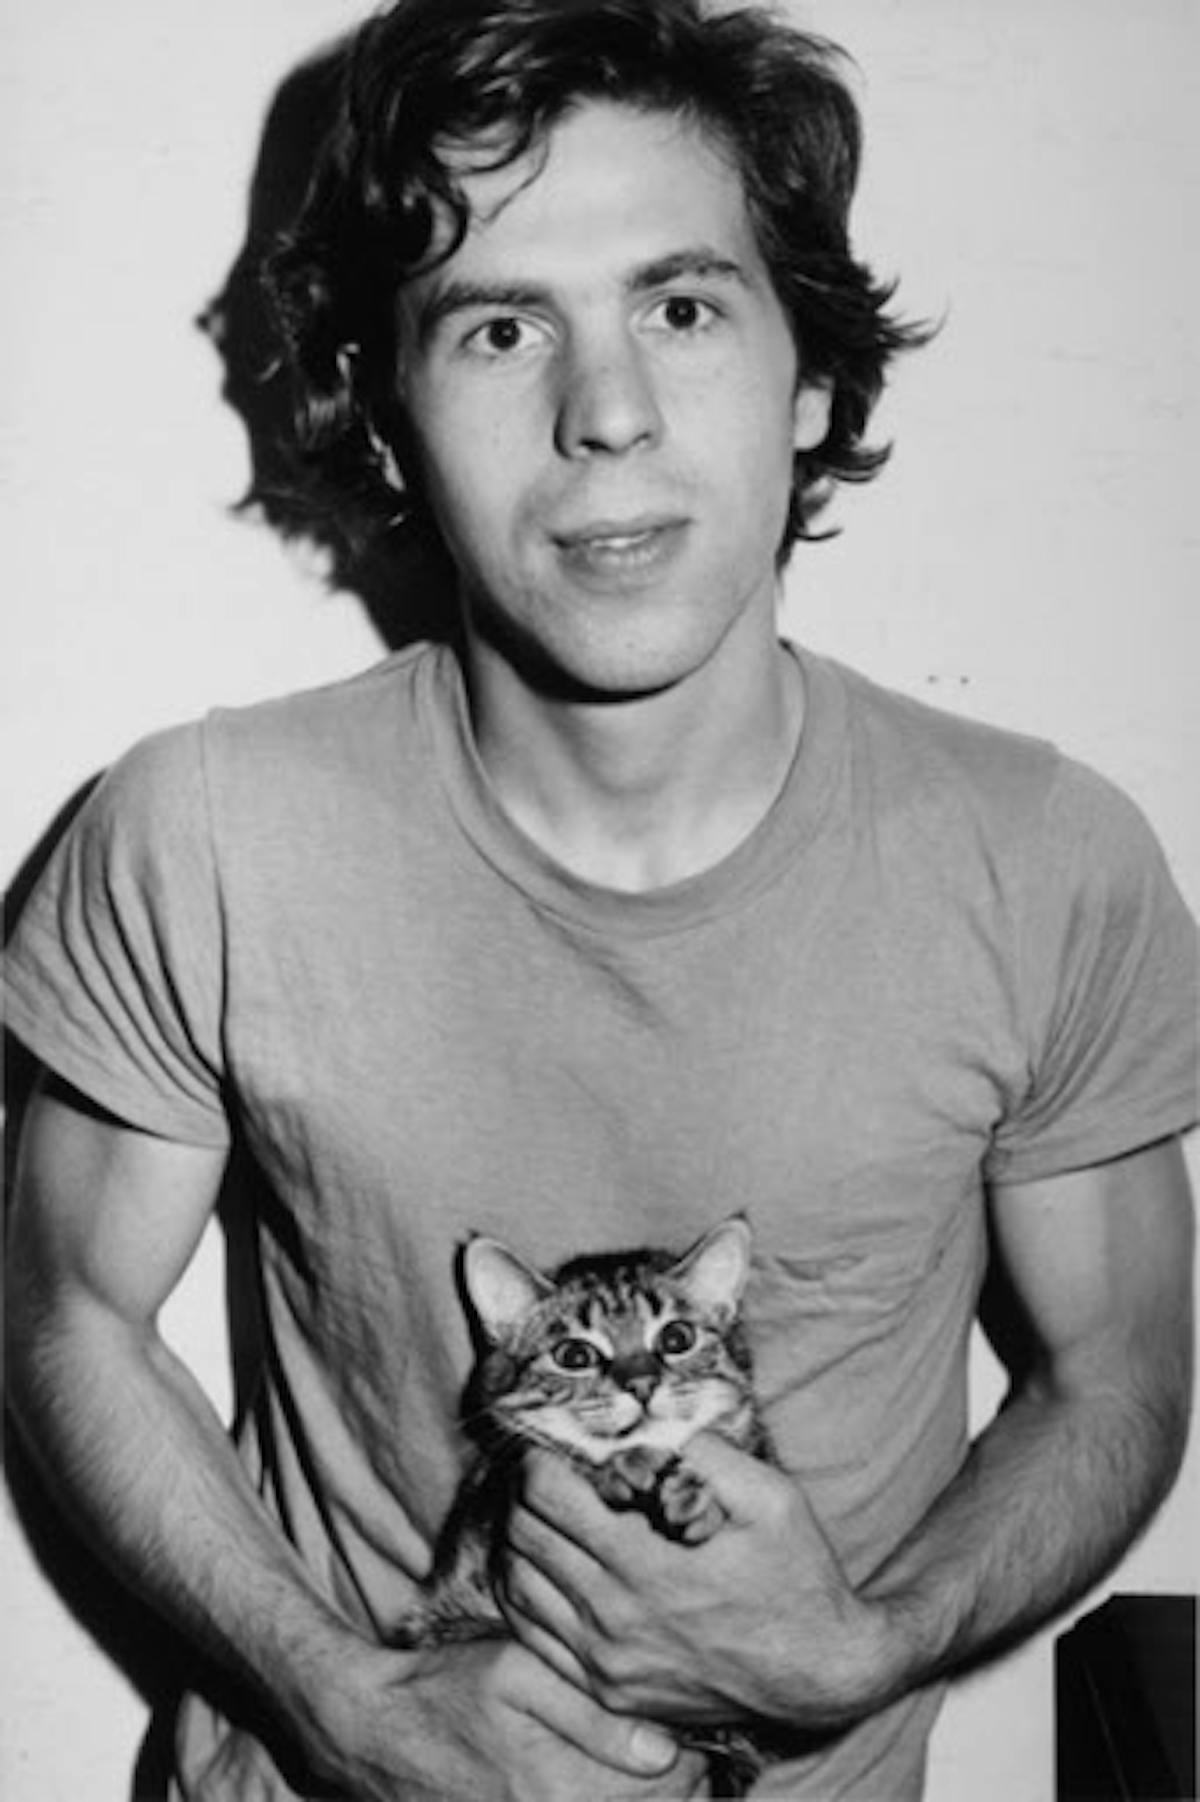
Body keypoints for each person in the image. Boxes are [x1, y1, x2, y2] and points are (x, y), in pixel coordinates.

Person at [5, 0, 1195, 1797]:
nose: (607, 414)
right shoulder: (202, 829)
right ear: (389, 419)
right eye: (500, 327)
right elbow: (66, 1309)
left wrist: (870, 1644)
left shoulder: (1048, 856)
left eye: (683, 306)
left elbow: (1120, 1368)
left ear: (810, 377)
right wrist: (344, 1699)